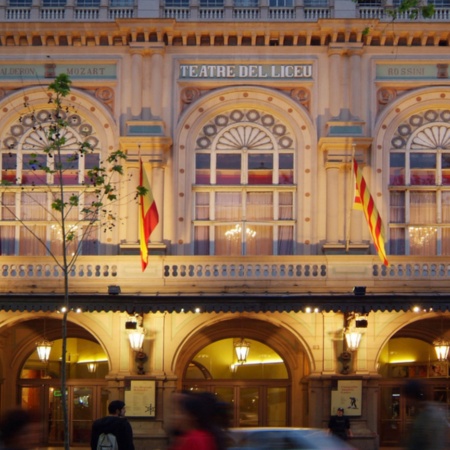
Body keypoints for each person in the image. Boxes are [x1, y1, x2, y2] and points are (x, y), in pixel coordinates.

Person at [403, 379, 449, 450]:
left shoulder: (428, 416)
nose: (406, 401)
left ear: (412, 397)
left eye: (407, 397)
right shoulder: (422, 413)